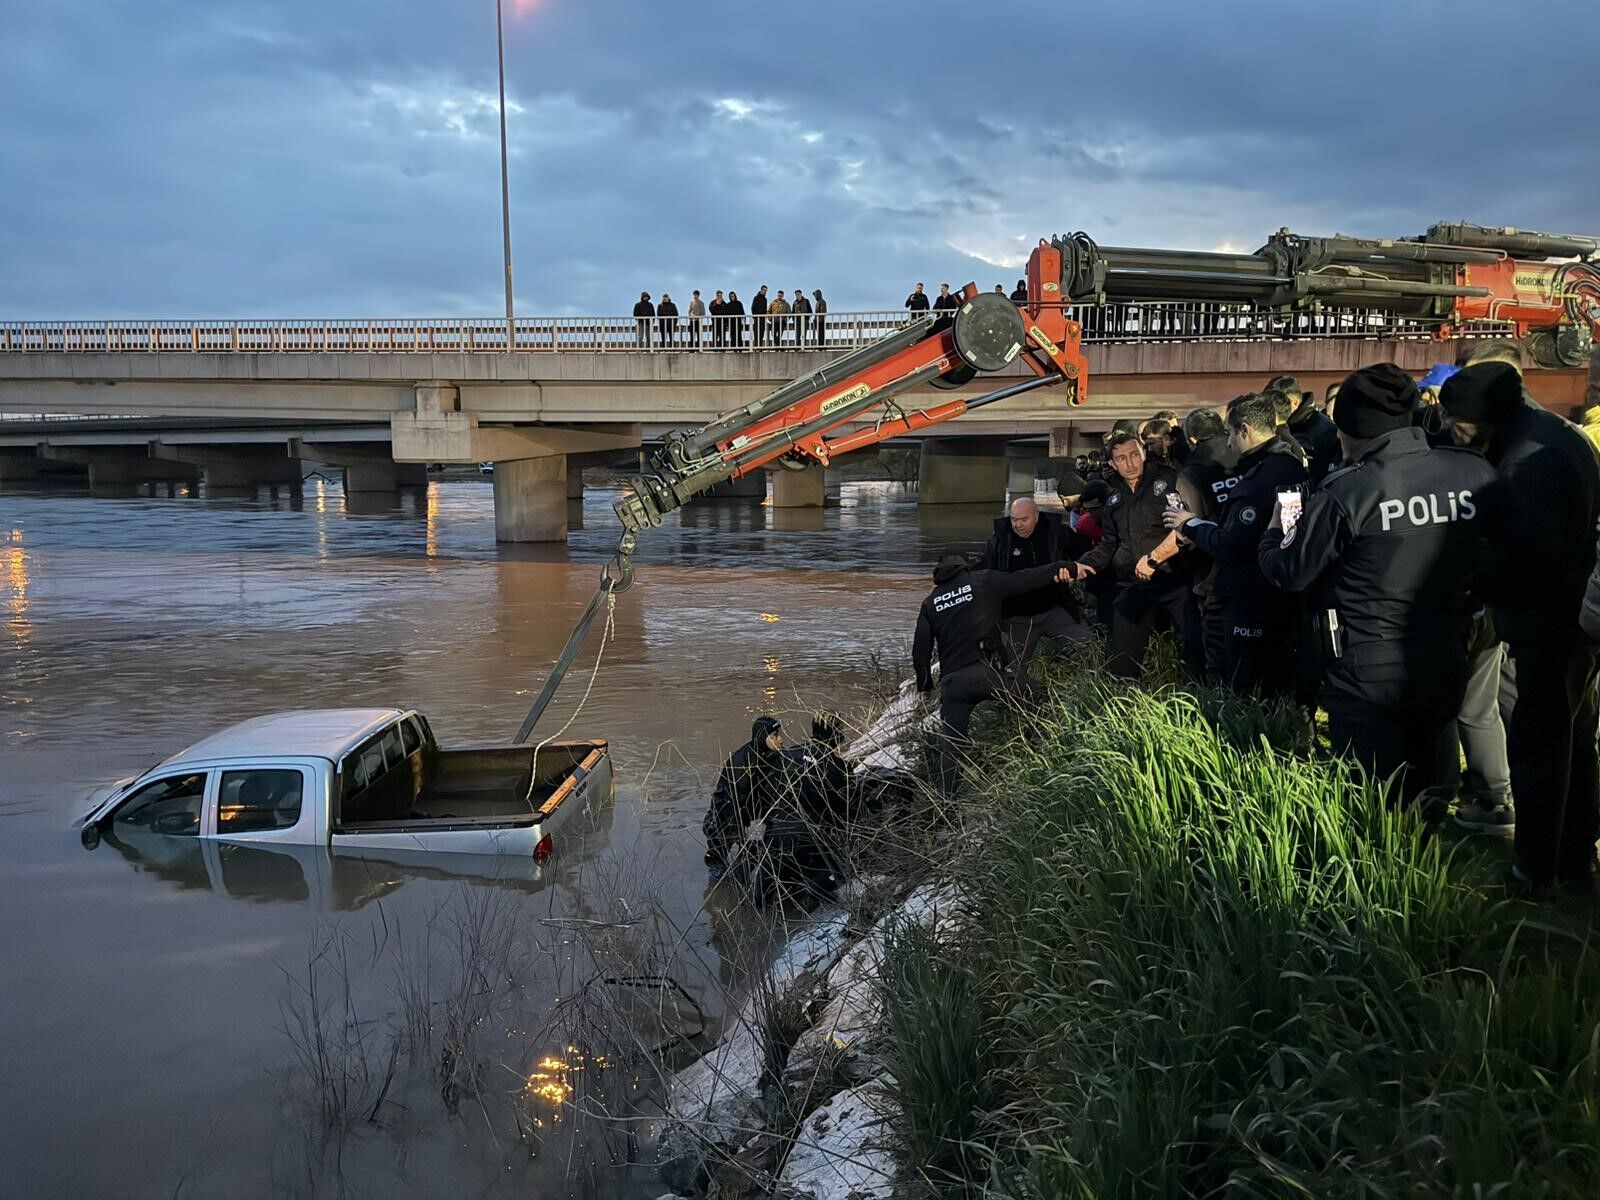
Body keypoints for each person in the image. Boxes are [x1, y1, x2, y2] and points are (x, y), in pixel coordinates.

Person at [1258, 363, 1509, 810]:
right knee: (1433, 788)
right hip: (1446, 655)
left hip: (1367, 673)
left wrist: (1275, 532)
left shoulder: (1349, 491)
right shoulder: (1473, 474)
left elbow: (1289, 573)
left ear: (1355, 429)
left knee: (1375, 806)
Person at [1440, 359, 1600, 886]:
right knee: (1573, 740)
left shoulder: (1526, 462)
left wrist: (1477, 584)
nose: (1450, 431)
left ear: (1484, 415)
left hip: (1551, 621)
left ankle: (1535, 869)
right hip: (1575, 617)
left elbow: (1529, 561)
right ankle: (1574, 858)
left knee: (1538, 748)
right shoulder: (1556, 433)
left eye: (1455, 419)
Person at [1166, 393, 1307, 697]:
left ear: (1245, 429)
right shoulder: (1291, 465)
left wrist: (1188, 523)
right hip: (1283, 587)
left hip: (1251, 592)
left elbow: (1233, 544)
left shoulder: (1260, 478)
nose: (1227, 443)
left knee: (1242, 685)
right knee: (1280, 682)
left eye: (1229, 433)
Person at [913, 552, 1075, 791]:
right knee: (1038, 695)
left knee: (952, 747)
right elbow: (1024, 578)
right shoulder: (983, 580)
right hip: (987, 675)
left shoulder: (930, 603)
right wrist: (1062, 566)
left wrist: (925, 686)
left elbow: (920, 651)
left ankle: (947, 806)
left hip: (953, 684)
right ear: (964, 568)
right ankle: (1038, 757)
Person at [1071, 433, 1188, 677]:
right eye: (1122, 458)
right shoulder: (1114, 498)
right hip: (1134, 584)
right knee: (1121, 666)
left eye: (1135, 454)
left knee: (1197, 653)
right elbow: (1109, 545)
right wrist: (1080, 566)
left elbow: (1184, 530)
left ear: (1144, 453)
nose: (1130, 462)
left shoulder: (1168, 481)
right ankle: (1125, 703)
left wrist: (1154, 558)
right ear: (1113, 464)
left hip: (1175, 581)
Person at [975, 496, 1094, 669]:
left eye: (1024, 519)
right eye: (1014, 520)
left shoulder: (1056, 533)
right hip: (1016, 618)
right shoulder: (999, 541)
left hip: (1055, 610)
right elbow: (981, 574)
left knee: (1089, 646)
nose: (1018, 525)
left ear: (1036, 517)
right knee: (1010, 670)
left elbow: (1088, 555)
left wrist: (1074, 572)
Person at [1175, 407, 1236, 683]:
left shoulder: (1191, 473)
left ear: (1193, 439)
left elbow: (1189, 525)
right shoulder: (1246, 457)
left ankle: (1216, 705)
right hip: (1258, 558)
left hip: (1211, 569)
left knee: (1214, 647)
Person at [704, 716, 791, 867]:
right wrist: (741, 837)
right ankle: (719, 873)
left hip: (759, 802)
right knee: (722, 840)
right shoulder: (741, 766)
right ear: (762, 738)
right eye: (774, 736)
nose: (781, 739)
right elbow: (727, 805)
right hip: (732, 807)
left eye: (779, 734)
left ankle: (764, 860)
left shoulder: (776, 755)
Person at [1271, 374, 1340, 481]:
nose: (1271, 409)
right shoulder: (1278, 425)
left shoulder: (1326, 432)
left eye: (1277, 403)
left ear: (1294, 403)